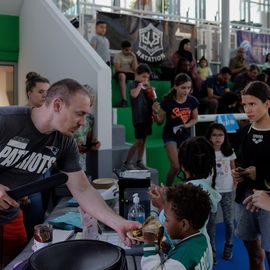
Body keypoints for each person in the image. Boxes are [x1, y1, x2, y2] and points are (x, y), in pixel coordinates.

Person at [0, 79, 140, 266]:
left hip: (9, 215)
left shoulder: (65, 142)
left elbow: (82, 190)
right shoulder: (6, 120)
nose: (83, 122)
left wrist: (118, 223)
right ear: (57, 104)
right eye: (79, 114)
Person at [148, 136, 222, 269]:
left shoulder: (191, 196)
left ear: (182, 166)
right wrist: (169, 199)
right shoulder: (204, 189)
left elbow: (171, 229)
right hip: (202, 255)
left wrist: (162, 205)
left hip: (183, 258)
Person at [232, 81, 270, 269]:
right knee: (254, 257)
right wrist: (238, 173)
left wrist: (260, 173)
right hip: (245, 199)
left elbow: (259, 170)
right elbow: (243, 161)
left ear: (267, 104)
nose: (247, 109)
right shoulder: (244, 131)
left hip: (269, 201)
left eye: (252, 104)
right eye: (245, 105)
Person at [141, 183, 212, 270]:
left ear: (184, 225)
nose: (164, 224)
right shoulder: (201, 239)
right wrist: (170, 249)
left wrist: (149, 243)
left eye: (167, 219)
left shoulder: (181, 259)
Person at [153, 73, 199, 186]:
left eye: (189, 88)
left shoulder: (192, 101)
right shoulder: (167, 101)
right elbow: (159, 122)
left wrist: (186, 126)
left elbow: (195, 119)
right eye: (183, 87)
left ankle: (186, 188)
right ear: (175, 87)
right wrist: (154, 112)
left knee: (187, 166)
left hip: (185, 135)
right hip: (170, 136)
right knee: (176, 166)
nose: (186, 91)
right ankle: (167, 188)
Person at [206, 122, 236, 263]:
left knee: (229, 222)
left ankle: (229, 244)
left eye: (220, 135)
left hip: (227, 191)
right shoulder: (206, 152)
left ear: (225, 137)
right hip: (212, 192)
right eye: (214, 135)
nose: (217, 138)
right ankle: (212, 251)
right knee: (211, 223)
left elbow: (233, 169)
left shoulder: (229, 151)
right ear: (210, 137)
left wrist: (236, 180)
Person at [121, 64, 153, 170]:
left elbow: (152, 100)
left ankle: (139, 161)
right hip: (138, 118)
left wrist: (150, 91)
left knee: (144, 140)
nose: (146, 79)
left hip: (147, 117)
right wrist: (140, 86)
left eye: (147, 77)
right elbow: (134, 95)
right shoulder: (132, 84)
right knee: (138, 141)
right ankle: (127, 162)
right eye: (143, 76)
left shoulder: (146, 86)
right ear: (136, 75)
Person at [73, 84, 101, 173]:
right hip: (64, 164)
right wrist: (73, 145)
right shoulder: (68, 115)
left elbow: (87, 142)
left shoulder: (90, 119)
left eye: (90, 103)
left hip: (81, 165)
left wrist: (92, 146)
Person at [114, 40, 138, 107]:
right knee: (122, 76)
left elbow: (135, 69)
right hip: (119, 73)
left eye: (130, 50)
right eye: (126, 50)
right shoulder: (118, 56)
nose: (128, 52)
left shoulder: (131, 55)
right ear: (122, 49)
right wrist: (128, 70)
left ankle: (137, 99)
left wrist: (134, 58)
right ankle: (124, 100)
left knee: (139, 77)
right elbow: (117, 69)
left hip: (129, 73)